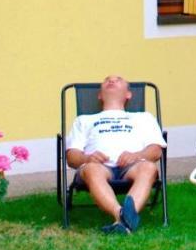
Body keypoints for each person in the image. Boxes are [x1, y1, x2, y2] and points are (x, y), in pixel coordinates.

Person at [64, 75, 164, 235]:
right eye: (106, 79)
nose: (111, 80)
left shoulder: (144, 117)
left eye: (118, 79)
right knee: (91, 169)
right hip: (98, 167)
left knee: (149, 167)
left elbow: (156, 150)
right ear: (99, 95)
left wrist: (137, 155)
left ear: (128, 94)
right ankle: (122, 215)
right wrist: (87, 158)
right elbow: (72, 156)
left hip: (134, 166)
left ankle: (121, 221)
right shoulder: (84, 120)